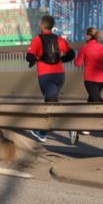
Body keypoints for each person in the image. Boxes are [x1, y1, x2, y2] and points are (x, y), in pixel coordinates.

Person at [24, 14, 77, 144]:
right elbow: (71, 54)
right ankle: (43, 132)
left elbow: (29, 57)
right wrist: (61, 60)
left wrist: (35, 59)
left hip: (46, 76)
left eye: (39, 23)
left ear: (42, 25)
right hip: (60, 75)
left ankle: (68, 128)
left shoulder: (37, 39)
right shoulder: (59, 39)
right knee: (51, 103)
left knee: (51, 105)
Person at [74, 27, 103, 105]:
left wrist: (75, 60)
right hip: (102, 80)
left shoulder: (84, 48)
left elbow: (78, 64)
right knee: (92, 99)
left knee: (97, 101)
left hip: (90, 80)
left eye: (86, 35)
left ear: (88, 36)